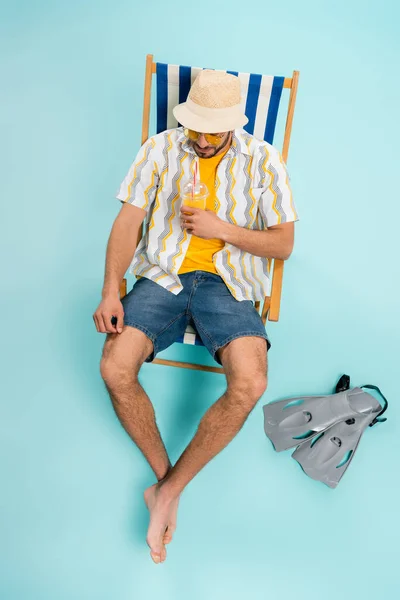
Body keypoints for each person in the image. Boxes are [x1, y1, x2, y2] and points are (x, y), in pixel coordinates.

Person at [93, 69, 299, 564]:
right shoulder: (161, 147)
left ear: (232, 124)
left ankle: (167, 492)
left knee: (250, 384)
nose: (201, 139)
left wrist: (222, 229)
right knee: (114, 367)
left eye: (212, 130)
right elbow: (128, 221)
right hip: (161, 277)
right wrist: (110, 290)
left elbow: (284, 244)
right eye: (195, 128)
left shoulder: (263, 160)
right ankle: (167, 483)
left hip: (229, 285)